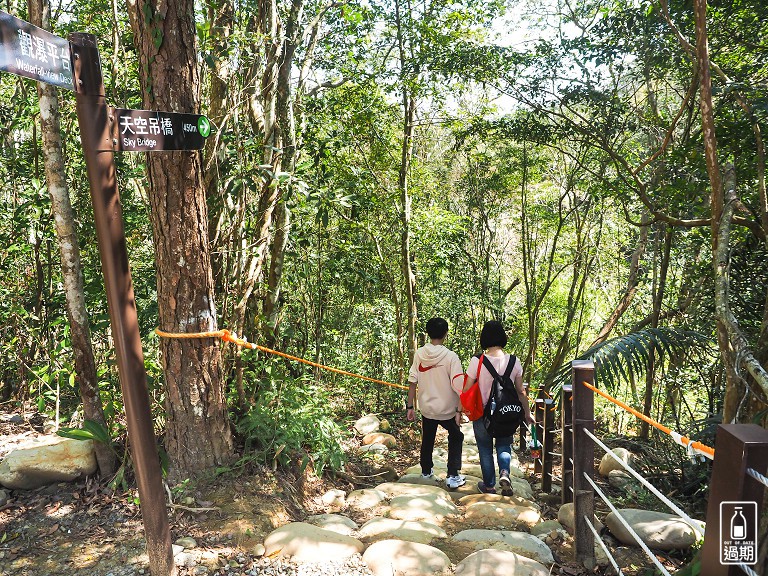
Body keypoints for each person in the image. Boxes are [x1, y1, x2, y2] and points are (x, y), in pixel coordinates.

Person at [463, 320, 534, 495]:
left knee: (485, 448)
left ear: (484, 338)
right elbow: (521, 391)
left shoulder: (477, 361)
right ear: (502, 337)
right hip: (506, 412)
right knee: (504, 445)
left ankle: (489, 486)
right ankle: (504, 472)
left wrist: (460, 411)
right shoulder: (514, 361)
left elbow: (466, 389)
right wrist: (527, 413)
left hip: (483, 413)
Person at [406, 317, 467, 489]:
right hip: (447, 409)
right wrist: (459, 410)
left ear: (428, 333)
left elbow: (412, 382)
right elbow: (459, 386)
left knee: (428, 438)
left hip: (427, 408)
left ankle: (426, 471)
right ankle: (453, 475)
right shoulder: (451, 357)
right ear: (446, 334)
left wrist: (410, 406)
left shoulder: (420, 354)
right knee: (456, 436)